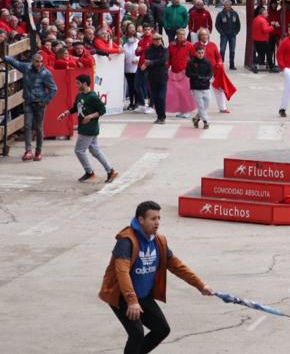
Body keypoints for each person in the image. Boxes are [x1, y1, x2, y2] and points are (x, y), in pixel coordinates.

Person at [99, 200, 213, 354]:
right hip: (122, 295)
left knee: (161, 329)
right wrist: (132, 301)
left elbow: (177, 266)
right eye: (153, 219)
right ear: (141, 220)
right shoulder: (126, 241)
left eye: (159, 218)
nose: (157, 222)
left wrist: (201, 285)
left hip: (143, 296)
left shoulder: (159, 241)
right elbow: (122, 273)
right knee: (137, 334)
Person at [57, 74, 118, 183]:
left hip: (89, 128)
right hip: (85, 127)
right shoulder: (80, 95)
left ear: (84, 83)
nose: (76, 85)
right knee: (95, 150)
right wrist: (65, 113)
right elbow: (75, 108)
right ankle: (110, 171)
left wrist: (90, 116)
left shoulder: (93, 97)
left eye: (78, 83)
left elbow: (102, 110)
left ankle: (90, 172)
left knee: (79, 150)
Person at [4, 52, 56, 161]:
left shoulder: (46, 73)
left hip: (39, 103)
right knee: (27, 126)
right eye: (37, 61)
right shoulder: (26, 68)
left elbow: (53, 89)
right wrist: (4, 57)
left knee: (38, 128)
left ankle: (38, 152)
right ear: (33, 61)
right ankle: (28, 151)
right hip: (28, 101)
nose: (39, 63)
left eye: (41, 61)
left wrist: (45, 101)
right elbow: (15, 62)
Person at [165, 29, 196, 119]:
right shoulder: (171, 45)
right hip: (174, 72)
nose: (182, 36)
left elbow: (194, 58)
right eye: (180, 34)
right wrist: (166, 69)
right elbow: (168, 59)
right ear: (176, 35)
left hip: (185, 73)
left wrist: (191, 69)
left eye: (183, 34)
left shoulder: (189, 45)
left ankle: (186, 110)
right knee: (177, 93)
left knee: (185, 93)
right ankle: (182, 110)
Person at [142, 33, 169, 124]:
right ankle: (159, 116)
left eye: (159, 39)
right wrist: (148, 63)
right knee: (155, 98)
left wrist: (151, 62)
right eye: (156, 39)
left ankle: (162, 116)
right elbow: (147, 60)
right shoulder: (148, 50)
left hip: (162, 77)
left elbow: (163, 60)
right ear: (153, 41)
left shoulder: (164, 50)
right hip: (152, 76)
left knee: (161, 97)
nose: (158, 41)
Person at [185, 45, 213, 129]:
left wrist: (207, 78)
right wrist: (197, 77)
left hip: (206, 86)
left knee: (206, 104)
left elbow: (210, 72)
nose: (200, 54)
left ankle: (196, 118)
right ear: (196, 53)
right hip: (196, 87)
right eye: (199, 53)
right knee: (200, 105)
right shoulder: (191, 62)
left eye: (202, 53)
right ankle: (206, 121)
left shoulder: (207, 62)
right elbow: (188, 73)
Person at [250, 6, 277, 73]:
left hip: (256, 39)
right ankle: (271, 67)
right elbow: (265, 30)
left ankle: (255, 65)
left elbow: (262, 26)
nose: (267, 14)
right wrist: (273, 26)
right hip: (263, 40)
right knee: (268, 53)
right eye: (266, 13)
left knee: (260, 54)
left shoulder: (256, 19)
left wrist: (270, 23)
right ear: (263, 14)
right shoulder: (263, 20)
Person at [215, 0, 240, 69]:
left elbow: (238, 24)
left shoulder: (235, 13)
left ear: (231, 5)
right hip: (224, 35)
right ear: (224, 6)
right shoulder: (220, 14)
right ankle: (221, 64)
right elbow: (217, 25)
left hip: (232, 35)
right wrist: (221, 33)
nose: (227, 6)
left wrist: (236, 32)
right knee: (222, 50)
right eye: (226, 5)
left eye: (229, 5)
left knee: (232, 51)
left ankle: (232, 65)